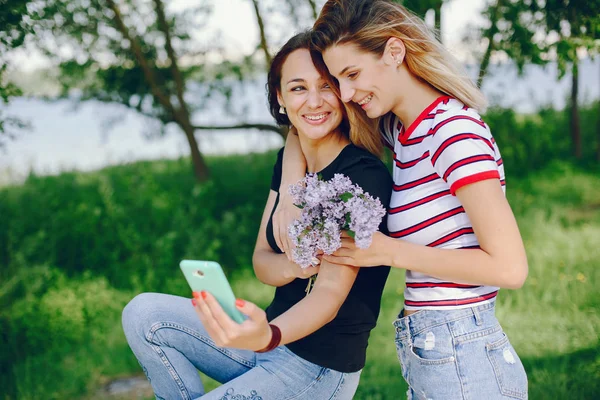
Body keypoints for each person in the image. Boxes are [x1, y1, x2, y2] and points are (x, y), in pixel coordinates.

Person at [273, 1, 529, 399]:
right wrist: (291, 191)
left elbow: (510, 268)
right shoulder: (404, 129)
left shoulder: (453, 134)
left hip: (465, 352)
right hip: (435, 352)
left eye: (352, 74)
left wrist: (387, 251)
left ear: (394, 52)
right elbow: (303, 126)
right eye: (338, 80)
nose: (344, 93)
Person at [122, 30, 393, 400]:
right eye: (298, 88)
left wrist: (269, 336)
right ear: (280, 97)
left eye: (326, 86)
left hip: (314, 368)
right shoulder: (290, 161)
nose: (314, 101)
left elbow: (328, 297)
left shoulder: (362, 177)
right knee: (143, 314)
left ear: (343, 92)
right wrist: (296, 266)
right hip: (267, 342)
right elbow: (262, 262)